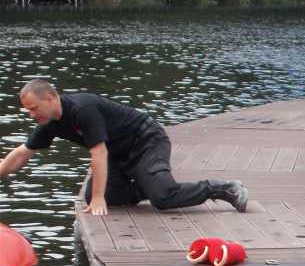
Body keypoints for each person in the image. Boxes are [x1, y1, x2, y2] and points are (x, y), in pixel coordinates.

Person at [0, 79, 248, 216]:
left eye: (33, 108)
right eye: (27, 110)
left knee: (162, 198)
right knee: (94, 197)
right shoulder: (50, 122)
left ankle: (222, 188)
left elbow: (98, 152)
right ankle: (147, 186)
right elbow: (22, 154)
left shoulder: (82, 108)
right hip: (117, 156)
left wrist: (98, 198)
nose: (31, 115)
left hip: (146, 141)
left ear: (50, 98)